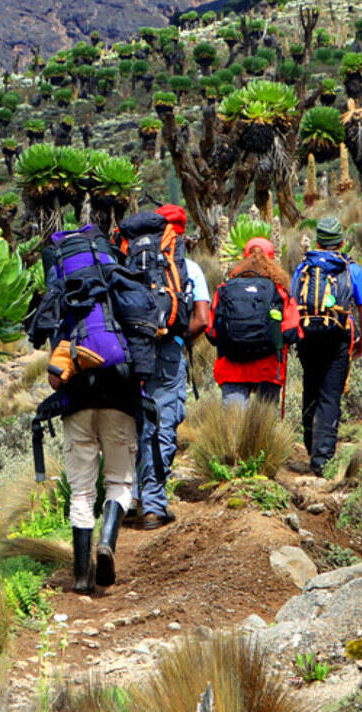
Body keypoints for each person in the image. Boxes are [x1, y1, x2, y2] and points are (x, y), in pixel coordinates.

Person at [32, 224, 147, 592]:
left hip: (77, 403)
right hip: (120, 399)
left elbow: (53, 367)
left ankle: (81, 577)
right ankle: (107, 543)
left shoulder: (64, 297)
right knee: (120, 481)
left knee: (81, 491)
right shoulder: (115, 290)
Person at [131, 204, 210, 530]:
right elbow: (202, 319)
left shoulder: (131, 261)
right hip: (167, 354)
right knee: (163, 423)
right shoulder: (188, 268)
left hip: (134, 353)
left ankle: (130, 497)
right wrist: (177, 337)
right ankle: (152, 505)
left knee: (137, 425)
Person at [291, 216, 362, 477]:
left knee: (311, 387)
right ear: (342, 243)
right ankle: (322, 459)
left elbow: (292, 304)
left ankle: (310, 445)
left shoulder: (303, 268)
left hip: (306, 336)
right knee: (330, 394)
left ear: (317, 242)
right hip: (338, 337)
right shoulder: (351, 269)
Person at [209, 237, 300, 407]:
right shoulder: (279, 291)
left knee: (234, 421)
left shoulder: (225, 289)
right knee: (265, 419)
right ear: (271, 259)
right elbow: (293, 331)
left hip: (232, 368)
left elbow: (211, 332)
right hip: (268, 369)